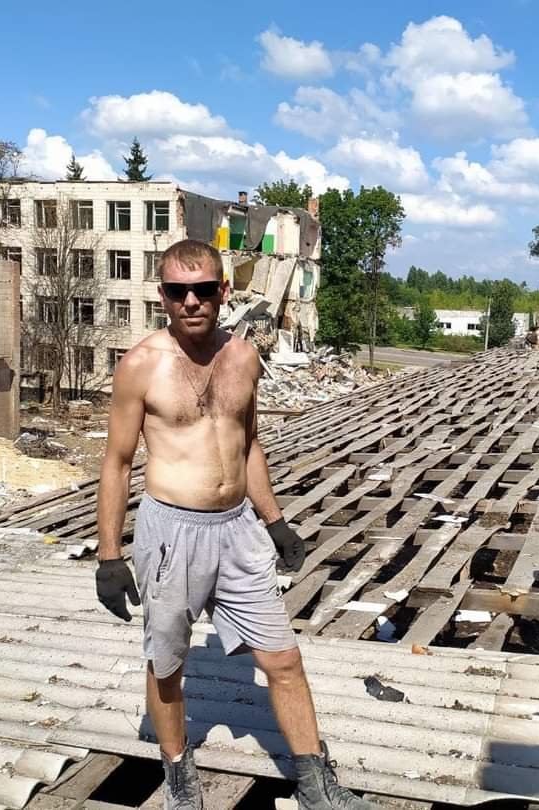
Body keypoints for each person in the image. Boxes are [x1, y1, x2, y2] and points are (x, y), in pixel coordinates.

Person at [95, 240, 374, 809]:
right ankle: (179, 778)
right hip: (171, 533)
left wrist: (275, 521)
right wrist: (108, 556)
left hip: (237, 529)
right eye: (178, 291)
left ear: (223, 291)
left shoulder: (244, 357)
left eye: (202, 289)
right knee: (167, 664)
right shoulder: (141, 365)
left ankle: (317, 787)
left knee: (283, 659)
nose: (191, 301)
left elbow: (248, 447)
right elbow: (117, 464)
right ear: (162, 296)